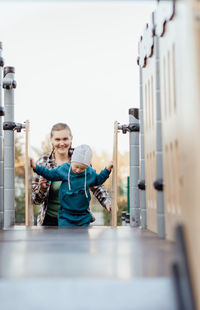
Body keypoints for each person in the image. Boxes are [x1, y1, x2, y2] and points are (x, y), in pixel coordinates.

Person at [32, 123, 112, 226]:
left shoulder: (82, 161)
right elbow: (35, 200)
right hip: (49, 221)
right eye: (57, 139)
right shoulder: (43, 163)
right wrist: (42, 188)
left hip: (78, 219)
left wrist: (108, 203)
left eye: (65, 139)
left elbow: (97, 186)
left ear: (71, 139)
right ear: (51, 140)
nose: (62, 143)